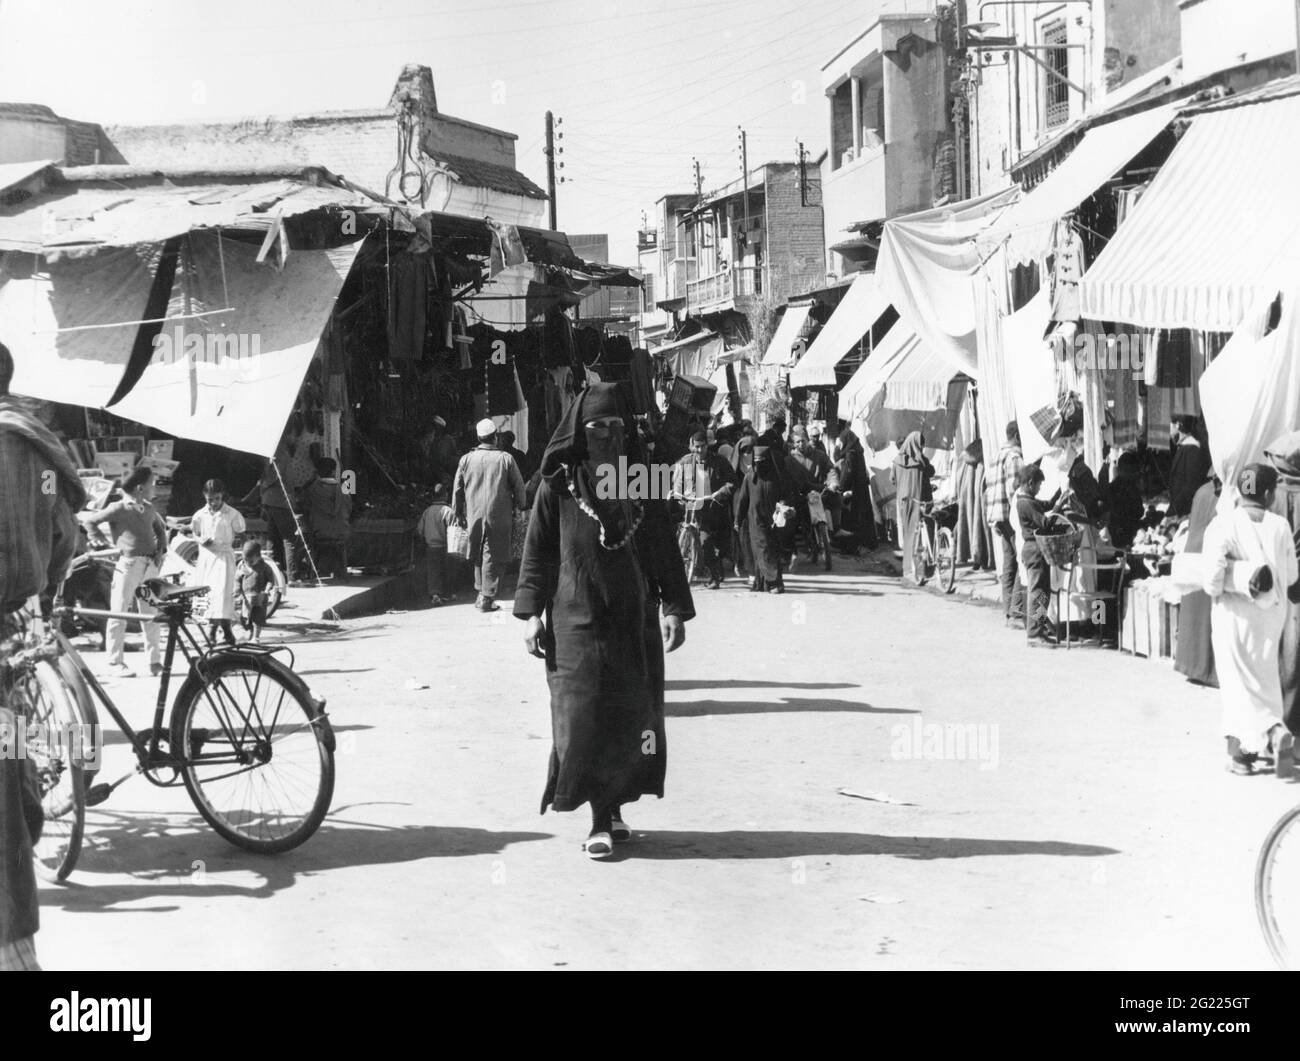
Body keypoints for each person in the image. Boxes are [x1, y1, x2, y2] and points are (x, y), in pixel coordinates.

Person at [514, 383, 694, 859]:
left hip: (632, 618)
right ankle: (598, 813)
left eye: (617, 428)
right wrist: (530, 613)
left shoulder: (642, 481)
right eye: (597, 429)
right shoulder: (559, 481)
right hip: (574, 618)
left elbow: (661, 547)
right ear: (580, 431)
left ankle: (611, 809)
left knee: (632, 715)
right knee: (584, 716)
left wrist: (674, 606)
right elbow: (538, 551)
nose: (608, 438)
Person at [0, 340, 85, 972]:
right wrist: (45, 589)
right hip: (13, 629)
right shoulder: (36, 447)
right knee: (12, 772)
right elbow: (63, 532)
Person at [1202, 463, 1299, 775]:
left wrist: (1225, 583)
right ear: (1269, 494)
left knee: (1235, 684)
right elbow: (1293, 575)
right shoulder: (1280, 526)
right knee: (1265, 680)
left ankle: (1251, 748)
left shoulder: (1223, 524)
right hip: (1271, 616)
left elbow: (1212, 578)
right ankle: (1278, 751)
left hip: (1234, 615)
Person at [79, 465, 169, 677]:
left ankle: (154, 661)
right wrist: (99, 542)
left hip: (149, 567)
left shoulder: (148, 508)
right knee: (118, 613)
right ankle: (115, 662)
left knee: (151, 615)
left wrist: (160, 550)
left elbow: (160, 530)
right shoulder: (119, 507)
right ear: (140, 488)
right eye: (151, 484)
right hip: (128, 566)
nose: (154, 488)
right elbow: (90, 521)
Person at [453, 418, 526, 612]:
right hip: (499, 513)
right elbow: (519, 486)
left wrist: (457, 511)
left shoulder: (466, 459)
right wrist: (522, 505)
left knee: (478, 552)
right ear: (495, 438)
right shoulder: (505, 458)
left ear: (478, 437)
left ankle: (481, 592)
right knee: (493, 553)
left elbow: (457, 489)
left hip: (474, 513)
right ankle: (487, 596)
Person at [1174, 469, 1221, 688]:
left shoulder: (1202, 491)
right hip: (1210, 553)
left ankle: (1190, 664)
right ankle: (1206, 670)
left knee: (1195, 615)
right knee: (1206, 616)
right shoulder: (1226, 495)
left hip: (1194, 553)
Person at [670, 430, 734, 589]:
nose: (699, 450)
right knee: (705, 543)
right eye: (696, 447)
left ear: (708, 445)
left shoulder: (719, 461)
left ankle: (715, 571)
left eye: (702, 446)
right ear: (691, 446)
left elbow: (732, 481)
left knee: (716, 543)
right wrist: (677, 494)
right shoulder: (685, 462)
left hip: (714, 507)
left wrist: (721, 492)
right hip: (692, 505)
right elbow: (678, 482)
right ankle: (712, 575)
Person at [191, 478, 245, 646]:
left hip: (223, 558)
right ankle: (225, 633)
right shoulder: (200, 515)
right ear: (204, 497)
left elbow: (241, 533)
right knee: (205, 594)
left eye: (217, 499)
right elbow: (195, 533)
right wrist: (201, 540)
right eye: (210, 499)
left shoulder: (232, 514)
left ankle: (215, 632)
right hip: (206, 558)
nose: (214, 503)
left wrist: (232, 545)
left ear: (223, 496)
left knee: (221, 594)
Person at [241, 432, 301, 582]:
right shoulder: (280, 453)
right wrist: (263, 487)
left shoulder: (274, 453)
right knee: (288, 539)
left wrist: (261, 490)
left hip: (271, 500)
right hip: (279, 501)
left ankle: (273, 574)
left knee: (273, 538)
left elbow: (269, 476)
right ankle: (292, 576)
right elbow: (275, 475)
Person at [735, 443, 794, 594]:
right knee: (763, 548)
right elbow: (743, 500)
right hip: (755, 520)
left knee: (771, 550)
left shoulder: (777, 478)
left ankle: (762, 584)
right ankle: (773, 583)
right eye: (757, 461)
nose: (760, 465)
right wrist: (737, 520)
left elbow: (785, 496)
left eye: (763, 461)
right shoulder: (749, 478)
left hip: (774, 520)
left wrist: (783, 506)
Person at [1014, 464, 1062, 647]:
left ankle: (1039, 628)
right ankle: (1034, 634)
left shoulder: (1029, 500)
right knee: (1037, 591)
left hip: (1037, 549)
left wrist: (1060, 494)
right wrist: (1059, 505)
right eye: (1038, 485)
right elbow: (1046, 522)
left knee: (1043, 592)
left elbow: (1047, 504)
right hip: (1034, 549)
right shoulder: (1025, 503)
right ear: (1030, 483)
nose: (1039, 488)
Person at [987, 421, 1026, 626]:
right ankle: (1017, 612)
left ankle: (1008, 612)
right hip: (1010, 516)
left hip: (997, 516)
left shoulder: (996, 456)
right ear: (1018, 436)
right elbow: (1015, 490)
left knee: (1009, 563)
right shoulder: (1014, 457)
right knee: (1021, 562)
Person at [892, 431, 934, 583]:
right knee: (923, 535)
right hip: (920, 500)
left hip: (904, 502)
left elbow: (893, 480)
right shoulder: (921, 460)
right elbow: (931, 472)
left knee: (909, 534)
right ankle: (923, 570)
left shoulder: (897, 461)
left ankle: (908, 569)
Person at [300, 458, 352, 579]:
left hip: (319, 533)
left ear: (317, 472)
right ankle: (339, 571)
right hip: (341, 532)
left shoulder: (311, 490)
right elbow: (349, 510)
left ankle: (314, 570)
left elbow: (303, 506)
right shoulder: (344, 490)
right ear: (334, 472)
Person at [954, 440, 993, 571]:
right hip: (978, 502)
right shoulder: (982, 461)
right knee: (981, 528)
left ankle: (977, 559)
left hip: (970, 502)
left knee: (972, 527)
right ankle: (983, 560)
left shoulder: (967, 466)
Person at [416, 483, 456, 606]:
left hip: (431, 547)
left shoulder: (427, 511)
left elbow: (419, 530)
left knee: (433, 571)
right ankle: (447, 593)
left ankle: (435, 594)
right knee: (446, 571)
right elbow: (453, 531)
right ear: (445, 495)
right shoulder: (448, 511)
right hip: (445, 547)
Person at [1099, 448, 1145, 550]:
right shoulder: (1128, 488)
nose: (1132, 475)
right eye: (1130, 471)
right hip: (1122, 535)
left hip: (1121, 535)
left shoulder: (1115, 487)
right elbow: (1139, 512)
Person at [1168, 414, 1212, 519]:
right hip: (1181, 510)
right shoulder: (1185, 447)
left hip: (1186, 511)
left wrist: (1174, 509)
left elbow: (1191, 485)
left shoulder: (1192, 449)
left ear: (1178, 425)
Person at [235, 539, 275, 642]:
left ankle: (256, 637)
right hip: (246, 598)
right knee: (245, 618)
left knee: (257, 619)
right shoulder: (242, 566)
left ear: (259, 557)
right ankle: (249, 633)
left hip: (259, 598)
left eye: (251, 561)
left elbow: (271, 580)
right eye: (245, 560)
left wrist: (267, 589)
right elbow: (237, 579)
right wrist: (238, 591)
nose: (248, 563)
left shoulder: (264, 567)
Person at [421, 416, 461, 494]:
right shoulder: (430, 439)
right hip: (433, 473)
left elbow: (454, 456)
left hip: (445, 473)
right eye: (434, 428)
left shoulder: (449, 440)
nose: (435, 430)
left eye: (436, 428)